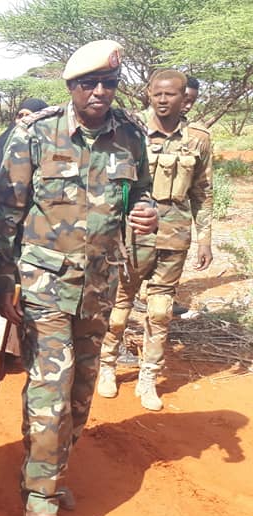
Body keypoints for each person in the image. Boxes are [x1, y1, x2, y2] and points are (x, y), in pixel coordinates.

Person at [0, 40, 158, 516]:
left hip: (100, 285)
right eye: (89, 84)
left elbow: (140, 192)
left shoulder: (130, 135)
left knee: (81, 392)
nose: (100, 91)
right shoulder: (35, 135)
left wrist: (145, 211)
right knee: (51, 390)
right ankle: (39, 497)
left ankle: (50, 470)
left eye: (109, 83)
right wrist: (3, 284)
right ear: (71, 87)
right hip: (45, 286)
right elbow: (6, 216)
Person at [97, 69, 213, 411]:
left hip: (175, 235)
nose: (163, 100)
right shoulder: (129, 131)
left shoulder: (198, 139)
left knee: (160, 311)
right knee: (119, 307)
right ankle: (107, 366)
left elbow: (203, 192)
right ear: (148, 94)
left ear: (184, 97)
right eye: (157, 94)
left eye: (171, 94)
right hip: (132, 234)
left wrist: (205, 239)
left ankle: (148, 376)